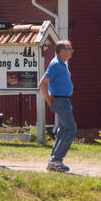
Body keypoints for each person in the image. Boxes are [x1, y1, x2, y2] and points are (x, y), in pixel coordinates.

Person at [39, 40, 76, 173]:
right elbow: (42, 84)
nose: (72, 51)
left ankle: (54, 160)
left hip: (64, 100)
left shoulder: (62, 64)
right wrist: (49, 101)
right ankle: (56, 160)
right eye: (69, 48)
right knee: (71, 129)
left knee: (62, 130)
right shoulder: (55, 64)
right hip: (60, 101)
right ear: (62, 50)